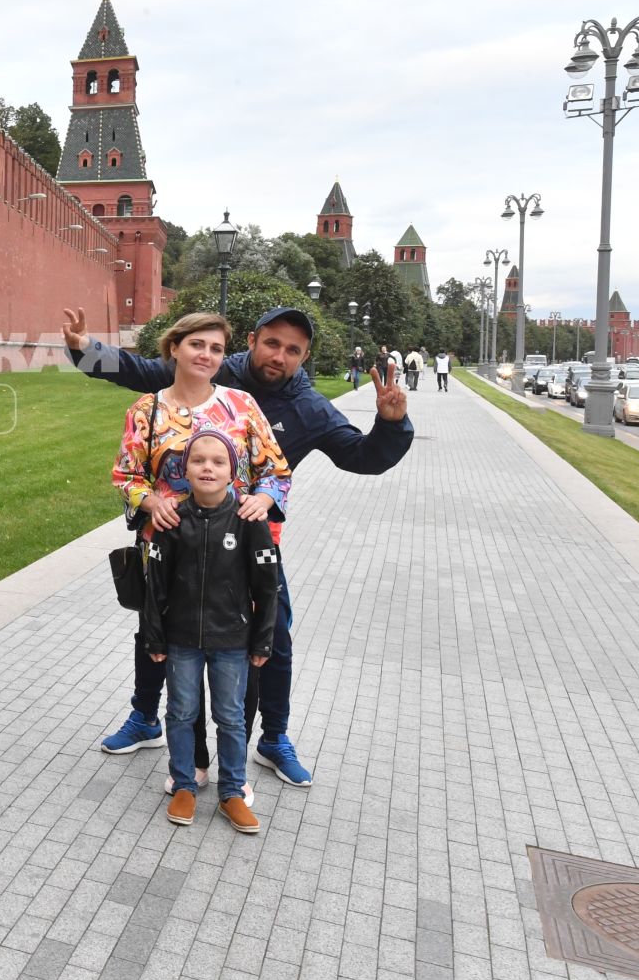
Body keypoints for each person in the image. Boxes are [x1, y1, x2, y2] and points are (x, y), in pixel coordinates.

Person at [64, 304, 413, 788]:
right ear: (252, 340)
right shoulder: (212, 365)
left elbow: (359, 456)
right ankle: (146, 717)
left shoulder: (306, 407)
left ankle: (273, 738)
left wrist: (391, 426)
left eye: (293, 350)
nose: (280, 356)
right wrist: (84, 350)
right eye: (272, 343)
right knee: (157, 628)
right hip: (173, 538)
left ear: (304, 356)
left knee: (273, 638)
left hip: (244, 546)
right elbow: (137, 372)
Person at [108, 312, 289, 798]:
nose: (206, 355)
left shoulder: (241, 406)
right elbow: (127, 476)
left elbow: (276, 471)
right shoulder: (146, 410)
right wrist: (153, 501)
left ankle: (235, 765)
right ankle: (185, 756)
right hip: (168, 546)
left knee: (236, 653)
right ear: (175, 348)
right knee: (164, 640)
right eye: (196, 345)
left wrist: (264, 498)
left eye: (215, 347)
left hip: (234, 550)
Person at [139, 430, 277, 833]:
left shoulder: (250, 520)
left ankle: (232, 791)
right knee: (181, 712)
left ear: (233, 472)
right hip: (181, 639)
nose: (208, 468)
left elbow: (267, 586)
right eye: (199, 460)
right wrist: (155, 636)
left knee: (231, 717)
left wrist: (263, 638)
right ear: (185, 470)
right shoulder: (171, 519)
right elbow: (155, 586)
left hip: (232, 640)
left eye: (218, 462)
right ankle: (184, 783)